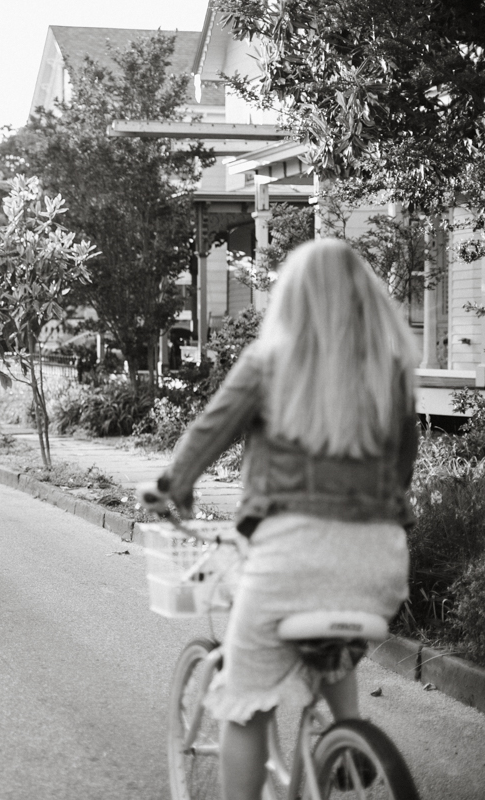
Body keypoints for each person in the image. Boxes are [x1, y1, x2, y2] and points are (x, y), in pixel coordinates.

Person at [140, 239, 418, 800]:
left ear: (291, 297)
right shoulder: (389, 371)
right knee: (332, 637)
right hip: (379, 562)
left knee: (245, 706)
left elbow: (206, 435)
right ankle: (348, 739)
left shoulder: (269, 362)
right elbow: (403, 467)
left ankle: (327, 751)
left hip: (290, 555)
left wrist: (171, 488)